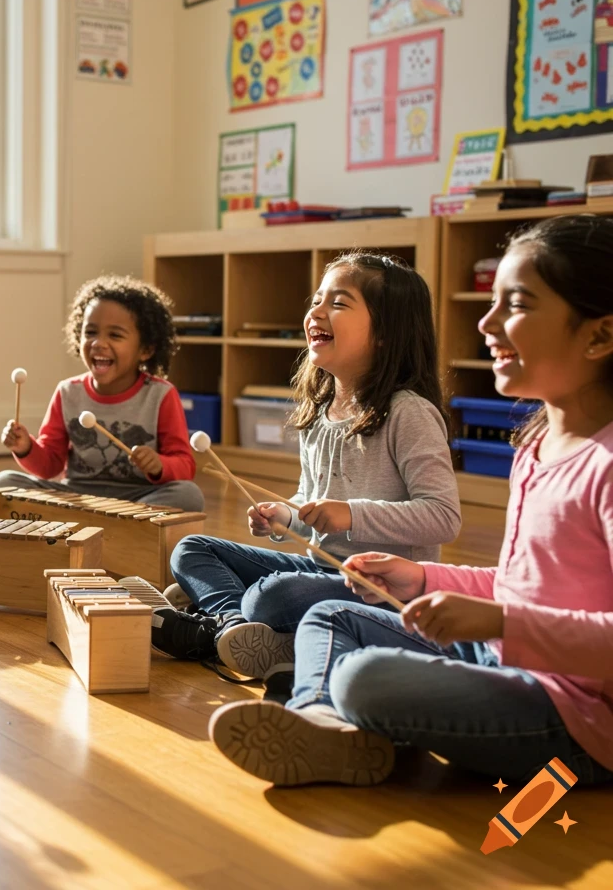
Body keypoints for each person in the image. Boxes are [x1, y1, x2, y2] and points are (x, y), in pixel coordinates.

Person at [210, 216, 613, 788]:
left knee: (367, 678)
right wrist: (423, 576)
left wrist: (502, 621)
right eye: (491, 301)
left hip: (579, 717)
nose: (487, 321)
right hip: (506, 658)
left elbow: (532, 609)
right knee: (332, 614)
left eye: (516, 304)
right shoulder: (538, 444)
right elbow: (527, 585)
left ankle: (334, 700)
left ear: (598, 335)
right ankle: (323, 724)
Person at [160, 253, 460, 685]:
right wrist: (284, 517)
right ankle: (233, 625)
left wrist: (352, 513)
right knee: (190, 549)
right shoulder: (320, 411)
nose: (316, 311)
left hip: (380, 592)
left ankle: (222, 612)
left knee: (273, 595)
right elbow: (309, 505)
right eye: (317, 299)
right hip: (319, 571)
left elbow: (443, 517)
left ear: (385, 333)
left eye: (338, 303)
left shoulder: (408, 413)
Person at [0, 275, 205, 516]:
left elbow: (185, 465)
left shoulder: (160, 395)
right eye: (90, 332)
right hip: (77, 496)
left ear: (146, 350)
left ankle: (108, 522)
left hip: (136, 500)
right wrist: (26, 447)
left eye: (115, 335)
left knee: (187, 494)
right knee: (3, 484)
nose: (98, 343)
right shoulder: (68, 392)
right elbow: (49, 465)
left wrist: (159, 465)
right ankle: (111, 525)